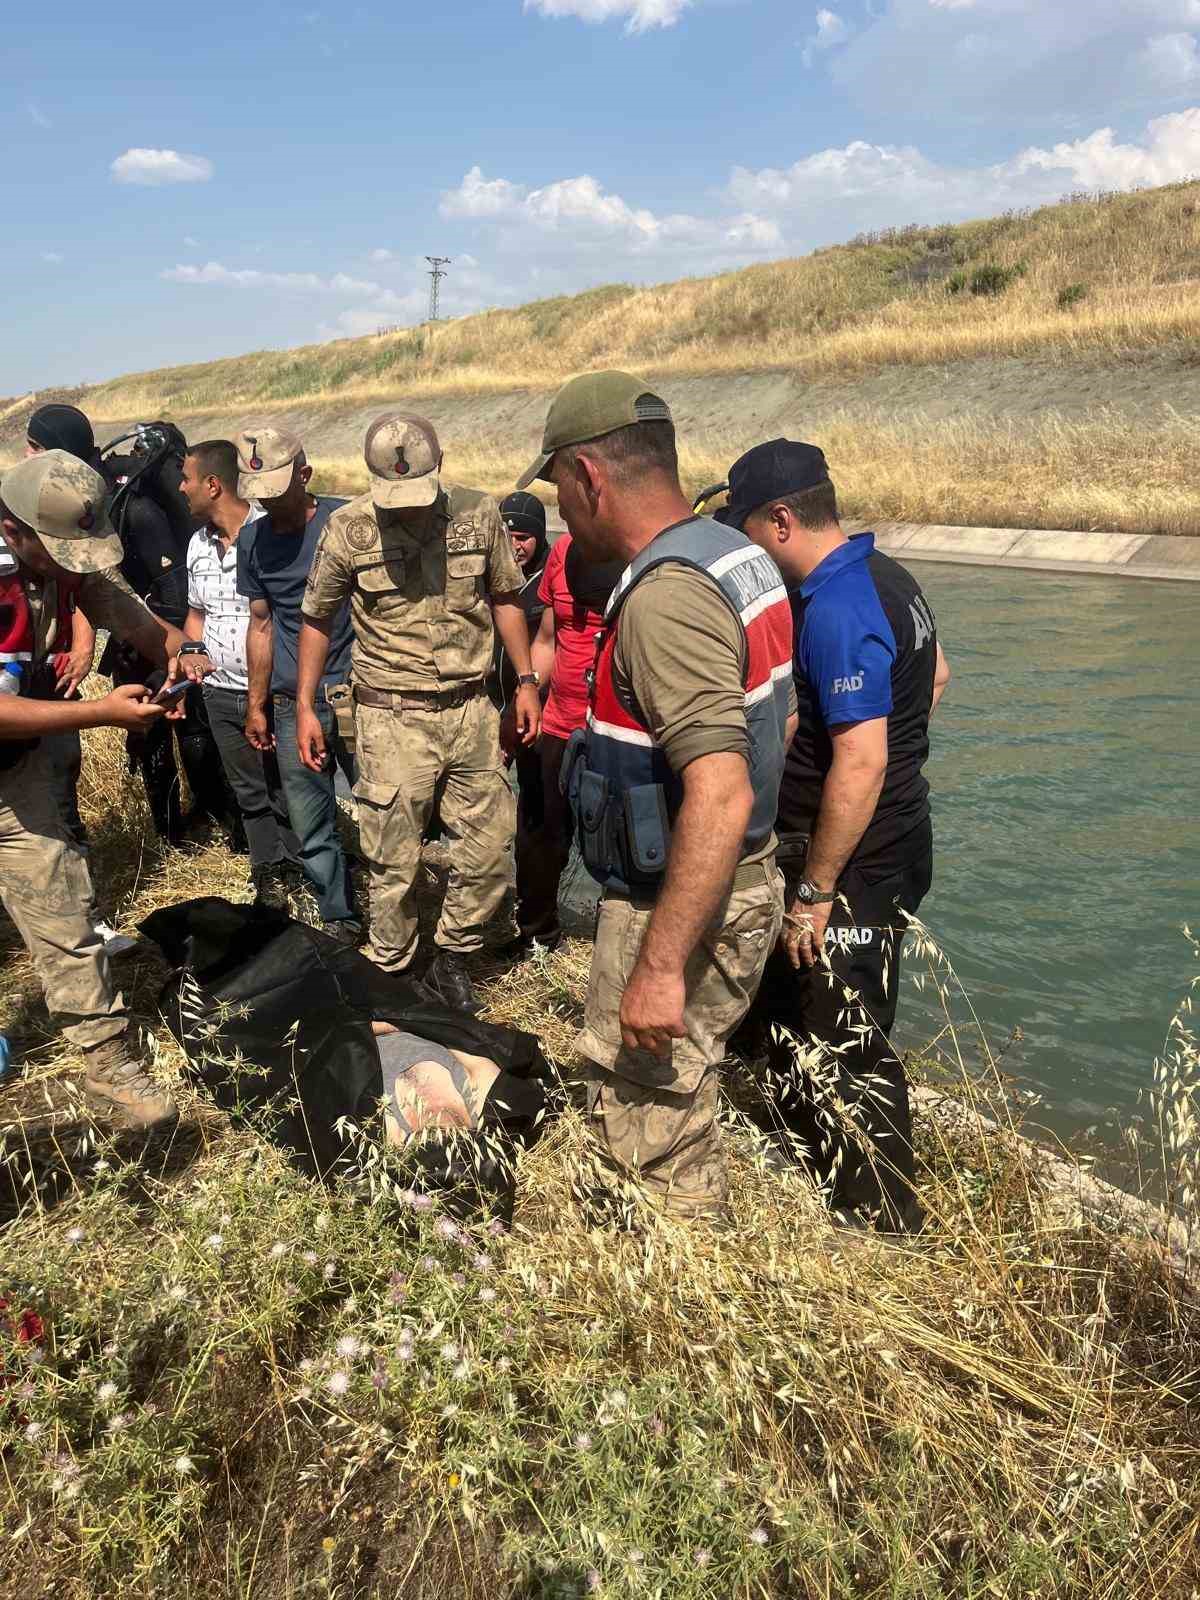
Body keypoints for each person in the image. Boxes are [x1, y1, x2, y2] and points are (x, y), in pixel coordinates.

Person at [516, 371, 795, 1221]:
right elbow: (773, 725)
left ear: (588, 477)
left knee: (644, 1130)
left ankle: (664, 1302)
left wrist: (660, 968)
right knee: (680, 1102)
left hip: (677, 897)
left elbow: (716, 788)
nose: (560, 511)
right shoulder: (735, 555)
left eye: (557, 487)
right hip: (736, 877)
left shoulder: (667, 595)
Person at [723, 438, 951, 1235]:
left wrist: (816, 891)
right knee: (799, 1000)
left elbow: (861, 755)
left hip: (856, 857)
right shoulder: (888, 578)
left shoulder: (838, 603)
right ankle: (808, 1152)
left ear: (781, 520)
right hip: (898, 833)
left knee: (844, 1024)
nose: (745, 548)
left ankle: (883, 1221)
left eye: (745, 528)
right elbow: (938, 676)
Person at [296, 412, 541, 1015]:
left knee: (489, 848)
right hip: (390, 714)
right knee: (391, 857)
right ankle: (393, 968)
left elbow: (506, 597)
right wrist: (304, 704)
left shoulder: (479, 514)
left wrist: (527, 681)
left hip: (471, 711)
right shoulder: (348, 529)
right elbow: (316, 617)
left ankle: (454, 956)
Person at [0, 450, 204, 1126]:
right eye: (60, 550)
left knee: (59, 898)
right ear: (13, 530)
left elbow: (140, 624)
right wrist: (101, 711)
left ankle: (107, 1059)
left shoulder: (59, 567)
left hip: (16, 769)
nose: (73, 563)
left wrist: (175, 658)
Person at [233, 424, 360, 944]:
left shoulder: (348, 522)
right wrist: (256, 704)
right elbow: (261, 624)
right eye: (256, 491)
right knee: (311, 821)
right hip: (290, 703)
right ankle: (340, 918)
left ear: (304, 475)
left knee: (381, 810)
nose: (266, 502)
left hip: (359, 693)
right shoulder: (252, 540)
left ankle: (394, 906)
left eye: (277, 488)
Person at [99, 420, 238, 848]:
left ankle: (176, 830)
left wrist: (170, 652)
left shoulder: (135, 507)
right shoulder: (157, 505)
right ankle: (210, 817)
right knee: (188, 725)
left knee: (163, 725)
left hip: (158, 631)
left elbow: (173, 587)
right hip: (174, 629)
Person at [180, 440, 301, 908]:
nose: (181, 487)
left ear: (213, 485)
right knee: (249, 790)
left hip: (272, 693)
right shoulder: (196, 546)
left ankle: (304, 866)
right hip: (218, 693)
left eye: (187, 478)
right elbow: (196, 616)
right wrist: (191, 650)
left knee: (288, 786)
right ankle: (267, 873)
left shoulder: (268, 534)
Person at [504, 521, 622, 956]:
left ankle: (617, 947)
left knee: (621, 840)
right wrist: (527, 690)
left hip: (615, 728)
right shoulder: (564, 551)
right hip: (557, 721)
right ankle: (537, 936)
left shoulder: (643, 555)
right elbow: (548, 639)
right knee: (538, 835)